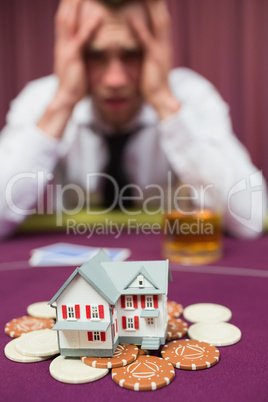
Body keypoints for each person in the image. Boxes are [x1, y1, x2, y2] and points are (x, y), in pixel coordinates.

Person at [0, 0, 266, 239]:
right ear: (71, 53)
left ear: (158, 50)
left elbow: (249, 219)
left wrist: (163, 100)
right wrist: (62, 104)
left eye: (133, 54)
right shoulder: (43, 100)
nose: (115, 80)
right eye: (95, 55)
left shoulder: (190, 96)